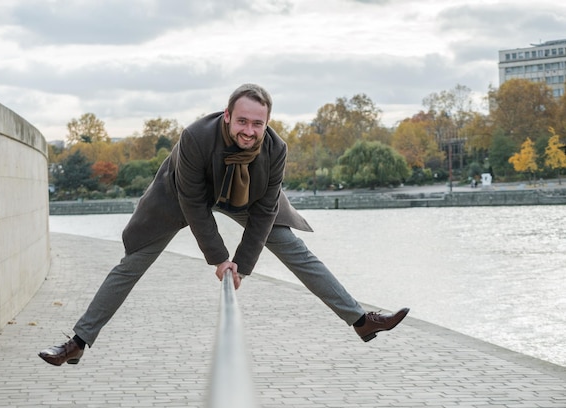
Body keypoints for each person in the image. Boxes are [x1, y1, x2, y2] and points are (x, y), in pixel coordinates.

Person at [39, 84, 409, 366]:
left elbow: (264, 212)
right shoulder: (195, 138)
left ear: (267, 123)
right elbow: (194, 205)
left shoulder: (275, 150)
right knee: (131, 264)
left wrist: (242, 267)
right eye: (243, 121)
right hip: (182, 195)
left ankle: (361, 319)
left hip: (247, 195)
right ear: (228, 116)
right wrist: (219, 258)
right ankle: (77, 342)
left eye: (258, 123)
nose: (250, 130)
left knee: (295, 249)